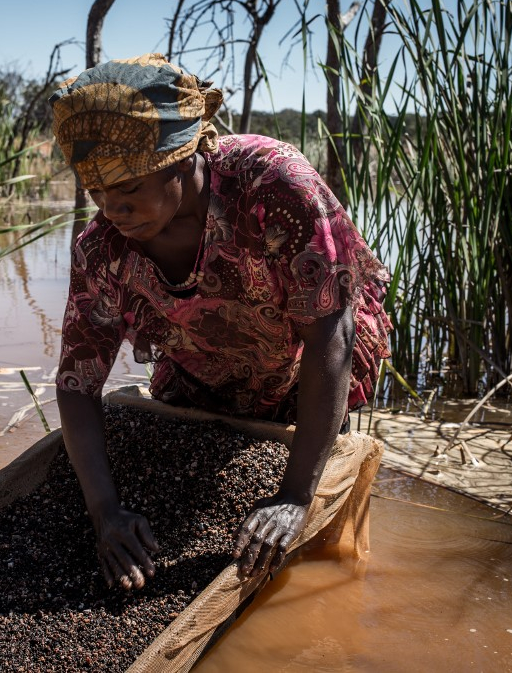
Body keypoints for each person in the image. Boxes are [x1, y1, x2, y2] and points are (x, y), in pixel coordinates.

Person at [49, 54, 392, 591]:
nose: (112, 208)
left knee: (317, 556)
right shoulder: (102, 250)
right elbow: (76, 383)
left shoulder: (273, 188)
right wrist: (105, 511)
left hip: (303, 367)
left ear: (182, 159)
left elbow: (332, 335)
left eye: (130, 189)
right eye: (98, 193)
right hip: (199, 368)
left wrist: (294, 496)